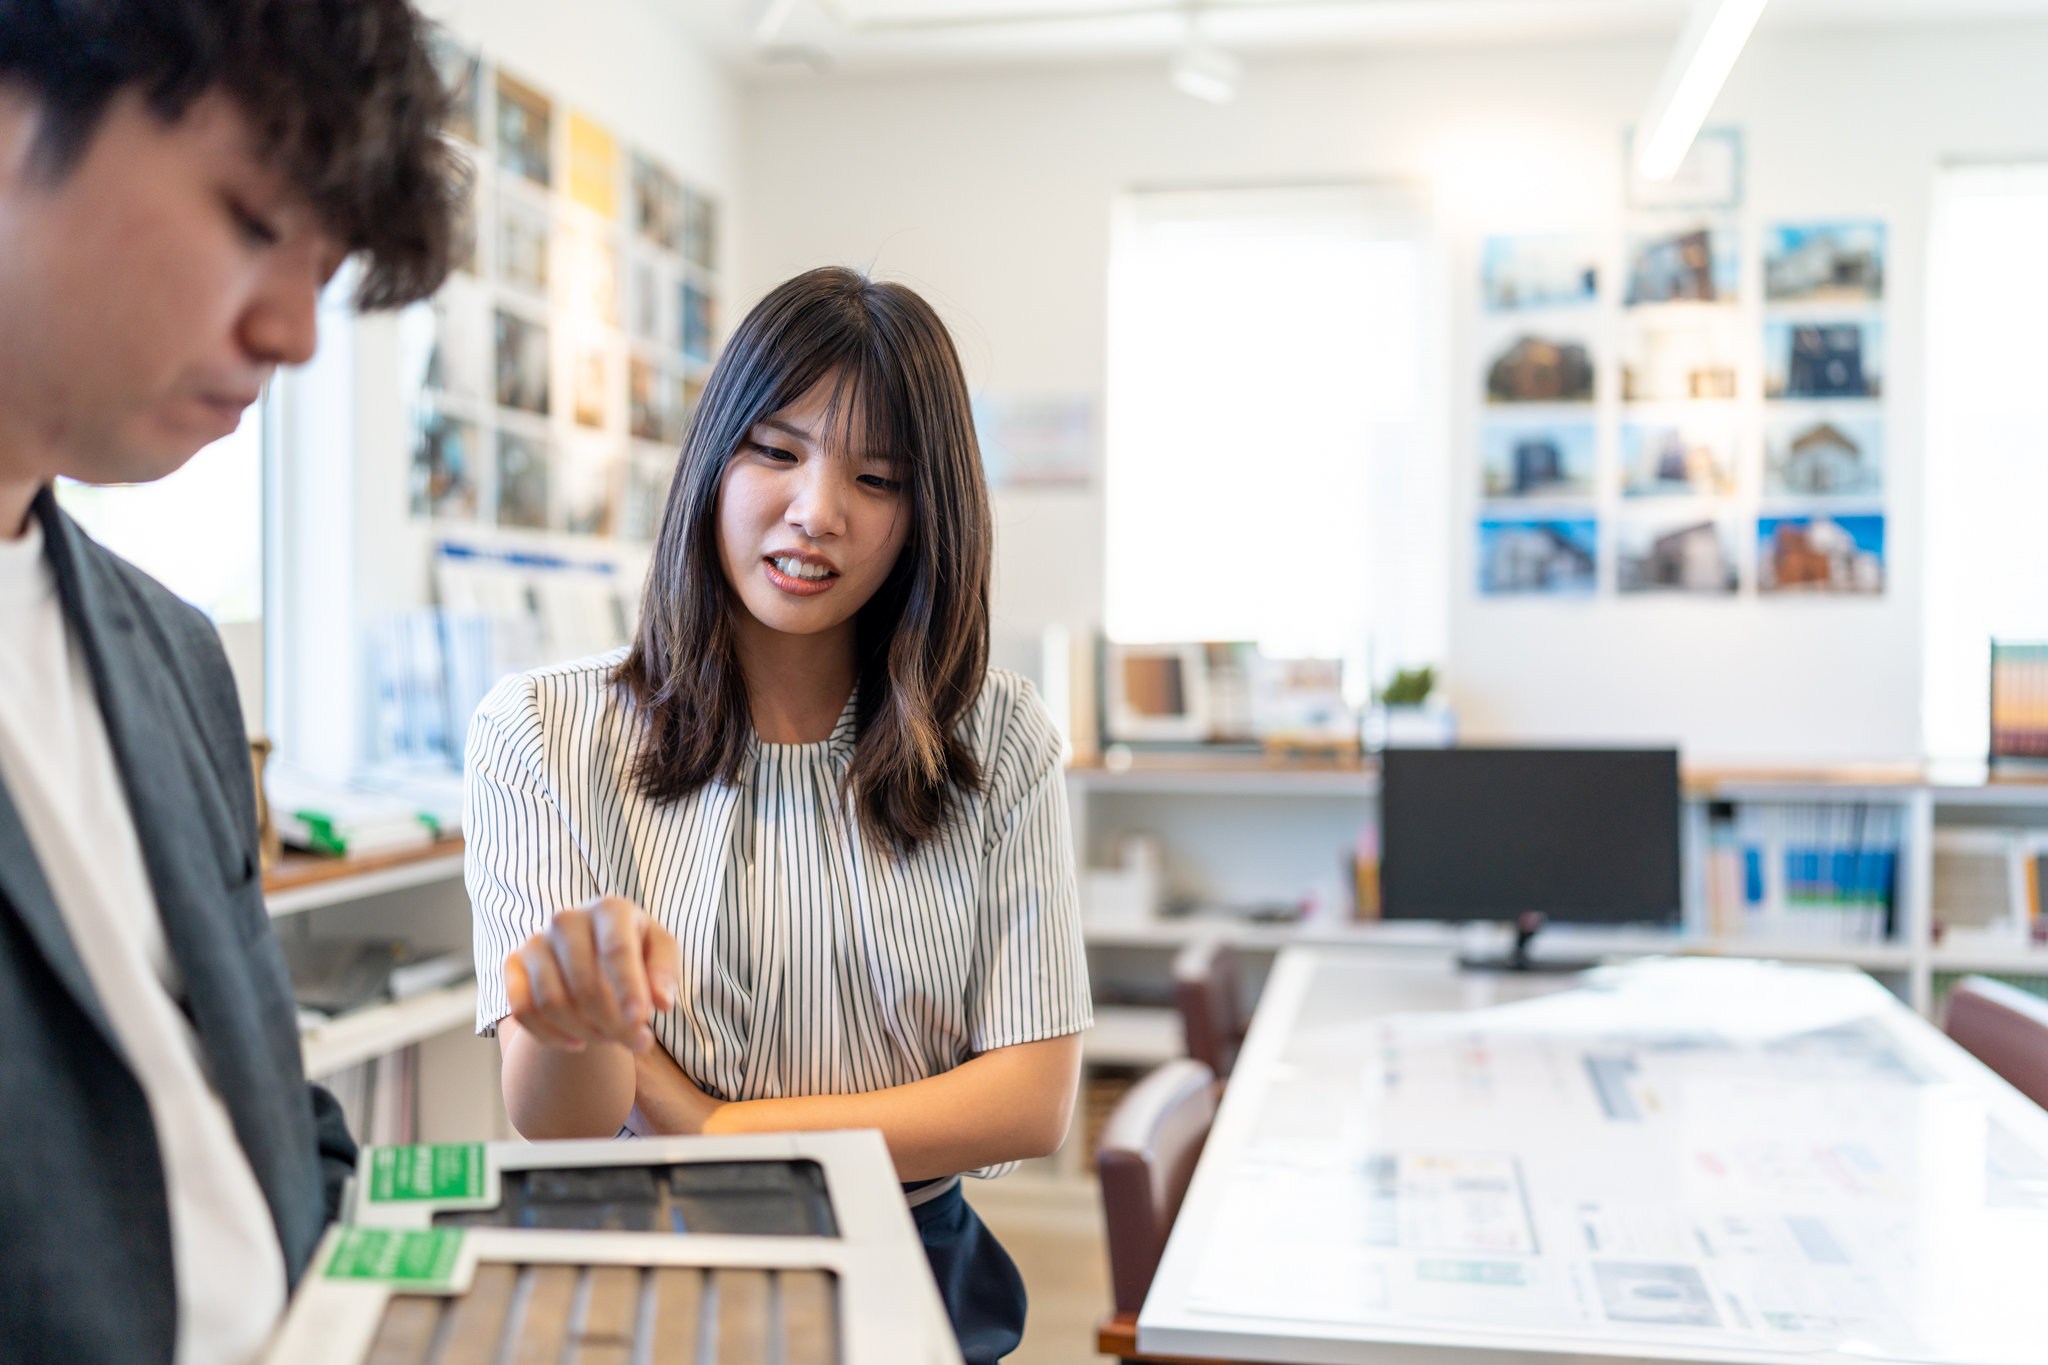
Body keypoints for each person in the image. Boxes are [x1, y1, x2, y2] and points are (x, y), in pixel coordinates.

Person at [468, 267, 1092, 1363]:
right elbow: (559, 1116)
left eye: (878, 477)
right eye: (775, 450)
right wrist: (585, 1026)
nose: (817, 511)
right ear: (713, 457)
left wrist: (713, 1127)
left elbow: (1029, 1099)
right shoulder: (539, 733)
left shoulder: (1000, 738)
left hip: (914, 1270)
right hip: (645, 1273)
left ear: (923, 514)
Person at [0, 2, 462, 1360]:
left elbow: (265, 1114)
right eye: (256, 223)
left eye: (325, 269)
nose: (296, 333)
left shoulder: (172, 654)